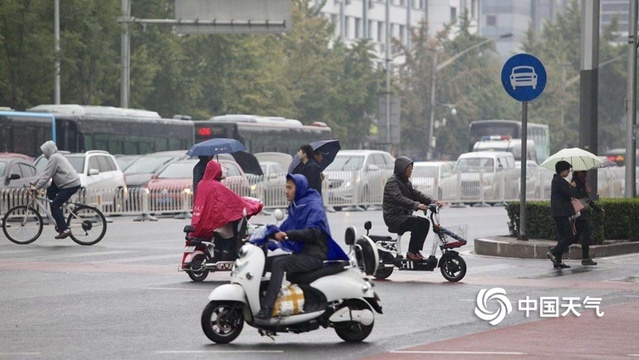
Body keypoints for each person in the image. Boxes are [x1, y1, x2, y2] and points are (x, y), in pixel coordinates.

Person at [255, 174, 348, 320]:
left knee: (279, 264)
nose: (286, 191)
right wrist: (266, 233)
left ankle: (268, 307)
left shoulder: (312, 205)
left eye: (290, 187)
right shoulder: (297, 205)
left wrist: (287, 234)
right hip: (302, 253)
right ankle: (260, 299)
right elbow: (285, 227)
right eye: (286, 187)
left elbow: (313, 232)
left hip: (314, 255)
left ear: (299, 188)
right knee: (264, 263)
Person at [190, 161, 263, 260]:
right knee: (229, 232)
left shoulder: (201, 184)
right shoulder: (217, 186)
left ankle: (217, 253)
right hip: (216, 221)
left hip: (204, 221)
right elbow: (232, 200)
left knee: (220, 236)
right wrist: (249, 204)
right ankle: (228, 253)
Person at [382, 156, 442, 261]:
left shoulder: (406, 182)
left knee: (424, 223)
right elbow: (398, 198)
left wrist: (432, 202)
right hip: (393, 217)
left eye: (411, 169)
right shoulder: (392, 183)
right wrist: (416, 205)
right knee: (418, 223)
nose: (410, 171)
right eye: (409, 168)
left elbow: (416, 195)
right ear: (402, 168)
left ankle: (415, 251)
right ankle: (411, 253)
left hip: (403, 216)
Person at [32, 141, 81, 239]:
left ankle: (65, 229)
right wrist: (35, 183)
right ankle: (58, 215)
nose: (44, 154)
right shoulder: (57, 156)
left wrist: (36, 188)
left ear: (48, 150)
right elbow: (46, 173)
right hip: (66, 182)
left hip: (69, 184)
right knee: (50, 191)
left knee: (54, 205)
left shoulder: (54, 158)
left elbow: (47, 176)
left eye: (44, 152)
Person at [546, 160, 578, 269]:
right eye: (567, 170)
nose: (568, 172)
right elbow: (569, 194)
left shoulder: (557, 180)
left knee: (562, 237)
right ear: (562, 170)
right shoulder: (559, 181)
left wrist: (568, 185)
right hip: (561, 213)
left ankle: (558, 261)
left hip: (558, 213)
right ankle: (553, 252)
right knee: (569, 237)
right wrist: (572, 187)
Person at [572, 170, 604, 266]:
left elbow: (587, 200)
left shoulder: (581, 183)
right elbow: (579, 197)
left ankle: (557, 252)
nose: (585, 174)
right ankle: (585, 258)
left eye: (585, 172)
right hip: (580, 213)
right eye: (583, 172)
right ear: (577, 173)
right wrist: (585, 192)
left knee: (576, 236)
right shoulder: (576, 183)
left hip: (582, 213)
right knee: (584, 235)